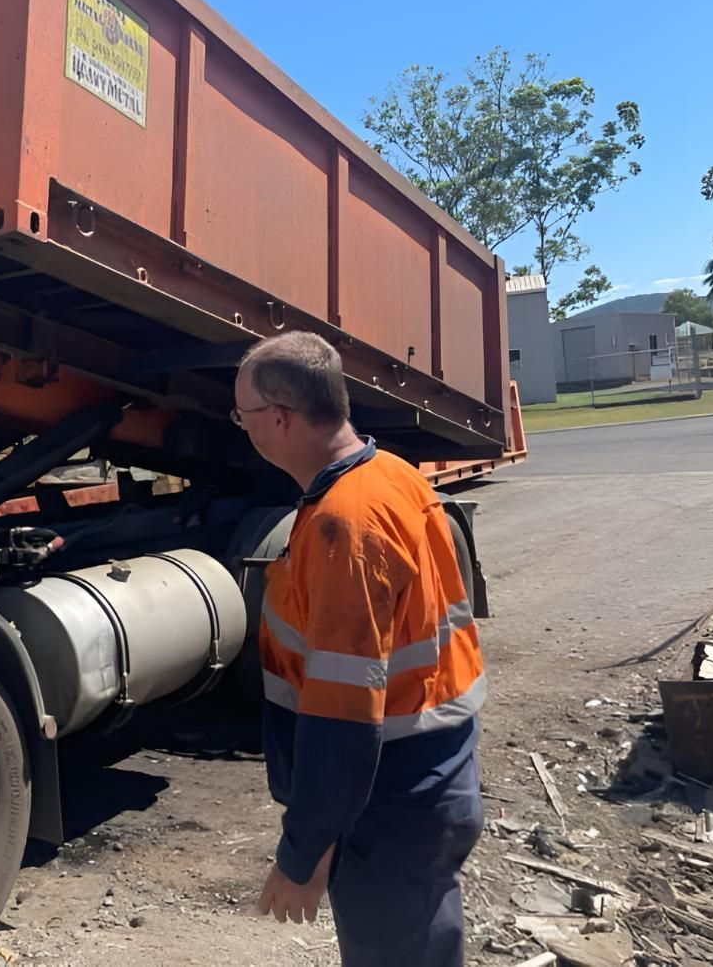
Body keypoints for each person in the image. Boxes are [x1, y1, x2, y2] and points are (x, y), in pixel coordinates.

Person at [232, 331, 487, 967]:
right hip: (432, 772)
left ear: (282, 419)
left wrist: (303, 852)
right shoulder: (391, 476)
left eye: (244, 416)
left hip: (390, 797)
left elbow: (341, 718)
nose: (241, 428)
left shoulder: (345, 525)